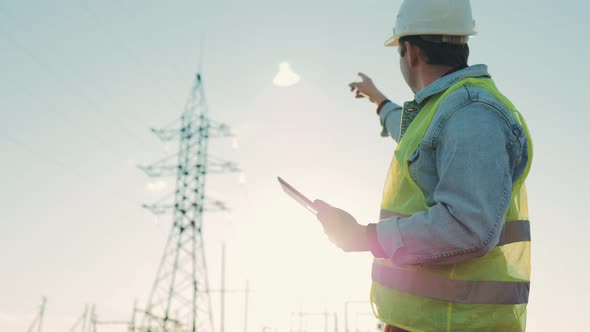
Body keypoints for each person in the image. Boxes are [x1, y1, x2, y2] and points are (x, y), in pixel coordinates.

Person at [313, 0, 533, 331]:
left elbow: (468, 227)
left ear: (411, 51)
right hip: (428, 321)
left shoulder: (471, 114)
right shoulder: (450, 111)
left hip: (455, 323)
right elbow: (414, 134)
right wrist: (378, 100)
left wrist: (364, 237)